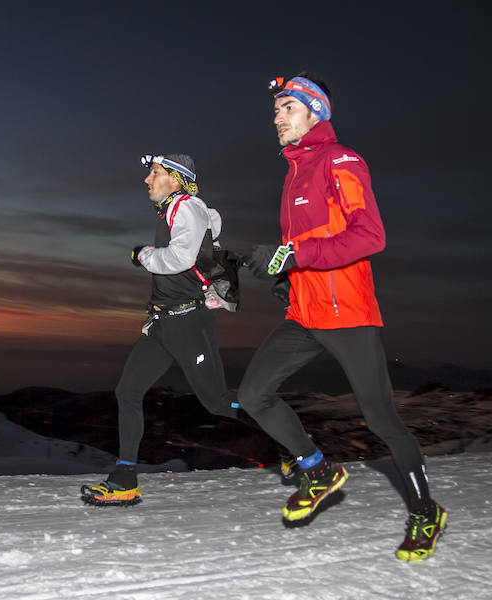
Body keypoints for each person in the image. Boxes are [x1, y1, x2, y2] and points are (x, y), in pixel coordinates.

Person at [238, 73, 447, 562]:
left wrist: (292, 256)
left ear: (316, 111)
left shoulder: (341, 160)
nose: (277, 116)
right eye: (275, 109)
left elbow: (369, 236)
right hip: (306, 313)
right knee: (253, 394)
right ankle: (317, 469)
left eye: (287, 106)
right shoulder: (293, 174)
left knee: (380, 419)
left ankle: (425, 510)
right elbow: (310, 247)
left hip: (347, 312)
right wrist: (286, 273)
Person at [80, 153, 245, 506]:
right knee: (128, 391)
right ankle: (125, 479)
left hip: (187, 325)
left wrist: (142, 255)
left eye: (154, 173)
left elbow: (179, 259)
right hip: (163, 323)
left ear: (176, 178)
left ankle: (291, 439)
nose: (147, 180)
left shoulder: (185, 207)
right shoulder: (176, 210)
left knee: (217, 403)